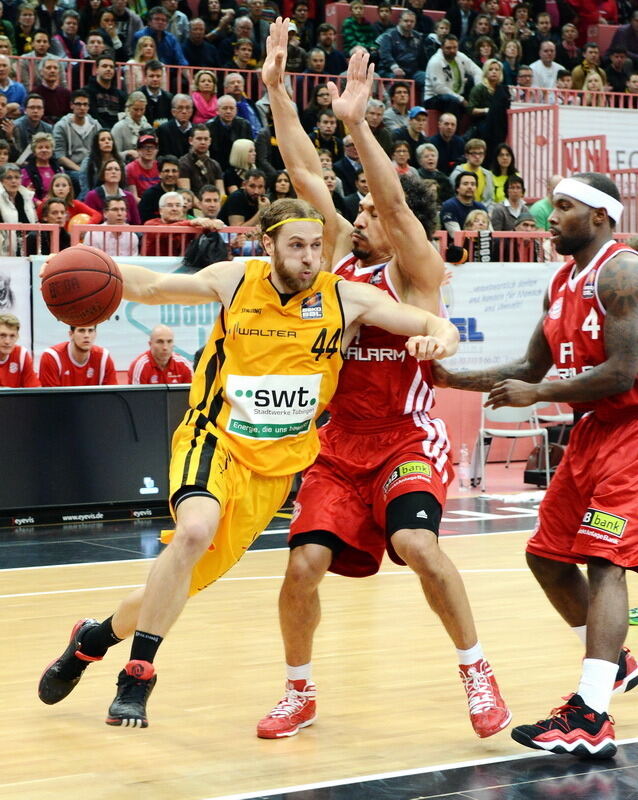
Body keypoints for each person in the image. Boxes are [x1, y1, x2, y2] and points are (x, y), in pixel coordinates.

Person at [37, 195, 460, 729]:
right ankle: (137, 675)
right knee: (193, 531)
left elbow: (432, 319)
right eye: (296, 246)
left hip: (276, 467)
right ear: (270, 246)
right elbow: (149, 286)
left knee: (174, 584)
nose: (309, 257)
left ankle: (91, 640)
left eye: (315, 246)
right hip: (213, 438)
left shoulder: (347, 299)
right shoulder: (237, 280)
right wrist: (81, 265)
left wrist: (438, 339)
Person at [257, 20, 510, 742]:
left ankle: (476, 669)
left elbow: (394, 204)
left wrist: (359, 124)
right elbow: (307, 173)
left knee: (420, 547)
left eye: (368, 210)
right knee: (303, 563)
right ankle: (298, 692)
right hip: (340, 443)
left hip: (406, 438)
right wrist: (277, 90)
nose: (360, 216)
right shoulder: (338, 255)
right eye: (359, 210)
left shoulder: (415, 271)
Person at [433, 173, 638, 758]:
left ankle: (592, 714)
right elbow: (527, 365)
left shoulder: (622, 272)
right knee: (546, 556)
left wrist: (542, 389)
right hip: (591, 432)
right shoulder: (561, 280)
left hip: (632, 430)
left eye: (566, 206)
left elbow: (625, 372)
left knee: (604, 561)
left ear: (599, 217)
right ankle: (615, 661)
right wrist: (449, 377)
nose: (551, 214)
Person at [424, 34, 483, 121]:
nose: (452, 50)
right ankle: (455, 132)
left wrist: (478, 89)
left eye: (455, 47)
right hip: (434, 98)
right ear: (442, 47)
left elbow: (477, 71)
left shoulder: (460, 56)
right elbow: (439, 88)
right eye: (448, 48)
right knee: (452, 101)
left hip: (457, 94)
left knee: (474, 90)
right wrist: (461, 99)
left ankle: (474, 129)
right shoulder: (435, 61)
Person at [52, 89, 101, 192]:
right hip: (71, 169)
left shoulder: (95, 125)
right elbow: (60, 156)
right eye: (78, 104)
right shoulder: (61, 126)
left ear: (88, 107)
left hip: (92, 167)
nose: (82, 108)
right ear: (71, 105)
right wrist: (81, 170)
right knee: (83, 178)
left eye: (85, 104)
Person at [39, 324, 118, 386]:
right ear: (71, 334)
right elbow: (50, 400)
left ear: (95, 334)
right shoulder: (52, 357)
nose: (87, 335)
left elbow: (113, 399)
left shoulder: (103, 357)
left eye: (90, 330)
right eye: (81, 330)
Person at [83, 158, 141, 224]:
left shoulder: (129, 196)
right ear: (102, 174)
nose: (113, 172)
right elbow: (87, 222)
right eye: (109, 169)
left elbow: (136, 224)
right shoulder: (92, 196)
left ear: (121, 174)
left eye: (117, 169)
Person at [207, 94, 252, 171]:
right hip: (217, 167)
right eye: (225, 108)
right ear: (217, 110)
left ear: (236, 110)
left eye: (231, 108)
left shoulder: (244, 125)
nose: (228, 111)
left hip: (239, 167)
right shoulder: (209, 127)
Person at [0, 162, 37, 255]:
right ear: (1, 180)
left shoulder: (26, 196)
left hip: (26, 246)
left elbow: (34, 223)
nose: (14, 181)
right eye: (9, 178)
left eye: (17, 177)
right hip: (4, 248)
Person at [177, 123, 224, 198]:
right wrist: (203, 207)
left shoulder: (215, 164)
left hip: (213, 205)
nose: (203, 142)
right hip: (193, 207)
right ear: (190, 140)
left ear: (210, 141)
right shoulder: (183, 163)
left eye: (206, 139)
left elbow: (221, 193)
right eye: (199, 139)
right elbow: (186, 195)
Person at [79, 128, 124, 199]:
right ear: (97, 144)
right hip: (93, 198)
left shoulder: (119, 162)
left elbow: (123, 185)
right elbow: (85, 188)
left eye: (109, 139)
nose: (107, 142)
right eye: (102, 140)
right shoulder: (88, 162)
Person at [450, 138, 494, 207]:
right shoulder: (457, 174)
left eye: (480, 153)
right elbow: (453, 197)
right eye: (474, 153)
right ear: (466, 155)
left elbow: (490, 199)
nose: (477, 156)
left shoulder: (488, 175)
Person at [20, 131, 64, 201]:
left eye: (47, 147)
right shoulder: (26, 172)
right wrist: (40, 204)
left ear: (52, 150)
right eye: (40, 147)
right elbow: (25, 194)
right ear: (34, 151)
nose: (44, 150)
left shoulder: (58, 170)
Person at [0, 312, 40, 387]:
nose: (7, 341)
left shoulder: (21, 355)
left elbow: (34, 391)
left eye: (12, 336)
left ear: (17, 337)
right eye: (2, 335)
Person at [139, 154, 180, 222]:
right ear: (160, 174)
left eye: (174, 171)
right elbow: (144, 222)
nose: (170, 174)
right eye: (167, 171)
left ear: (178, 174)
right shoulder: (149, 195)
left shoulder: (182, 194)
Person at [111, 92, 150, 161]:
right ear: (128, 108)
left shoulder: (148, 127)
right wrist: (127, 153)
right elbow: (113, 154)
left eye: (142, 109)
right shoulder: (119, 127)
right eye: (135, 109)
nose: (139, 113)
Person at [32, 58, 72, 125]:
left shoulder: (67, 94)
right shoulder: (35, 94)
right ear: (41, 71)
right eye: (48, 68)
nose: (52, 71)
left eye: (55, 68)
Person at [157, 93, 194, 159]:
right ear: (173, 112)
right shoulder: (164, 130)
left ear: (192, 111)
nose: (184, 111)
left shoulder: (196, 130)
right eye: (180, 108)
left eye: (188, 108)